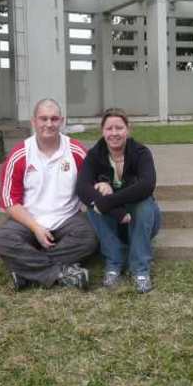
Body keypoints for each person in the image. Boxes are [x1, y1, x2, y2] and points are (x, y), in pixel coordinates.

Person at [0, 98, 98, 291]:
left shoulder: (76, 151)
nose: (49, 124)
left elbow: (92, 185)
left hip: (67, 219)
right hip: (28, 221)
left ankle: (25, 272)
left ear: (62, 121)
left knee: (90, 237)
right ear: (34, 121)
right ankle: (60, 273)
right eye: (43, 119)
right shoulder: (19, 153)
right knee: (1, 238)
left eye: (54, 119)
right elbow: (9, 202)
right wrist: (35, 227)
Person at [76, 108, 161, 293]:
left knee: (143, 203)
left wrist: (110, 198)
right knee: (93, 203)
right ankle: (114, 263)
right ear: (102, 131)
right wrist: (113, 208)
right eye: (109, 128)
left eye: (119, 128)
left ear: (128, 130)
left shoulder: (140, 152)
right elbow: (82, 188)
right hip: (115, 220)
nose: (114, 133)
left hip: (142, 220)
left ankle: (140, 269)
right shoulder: (94, 154)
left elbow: (147, 185)